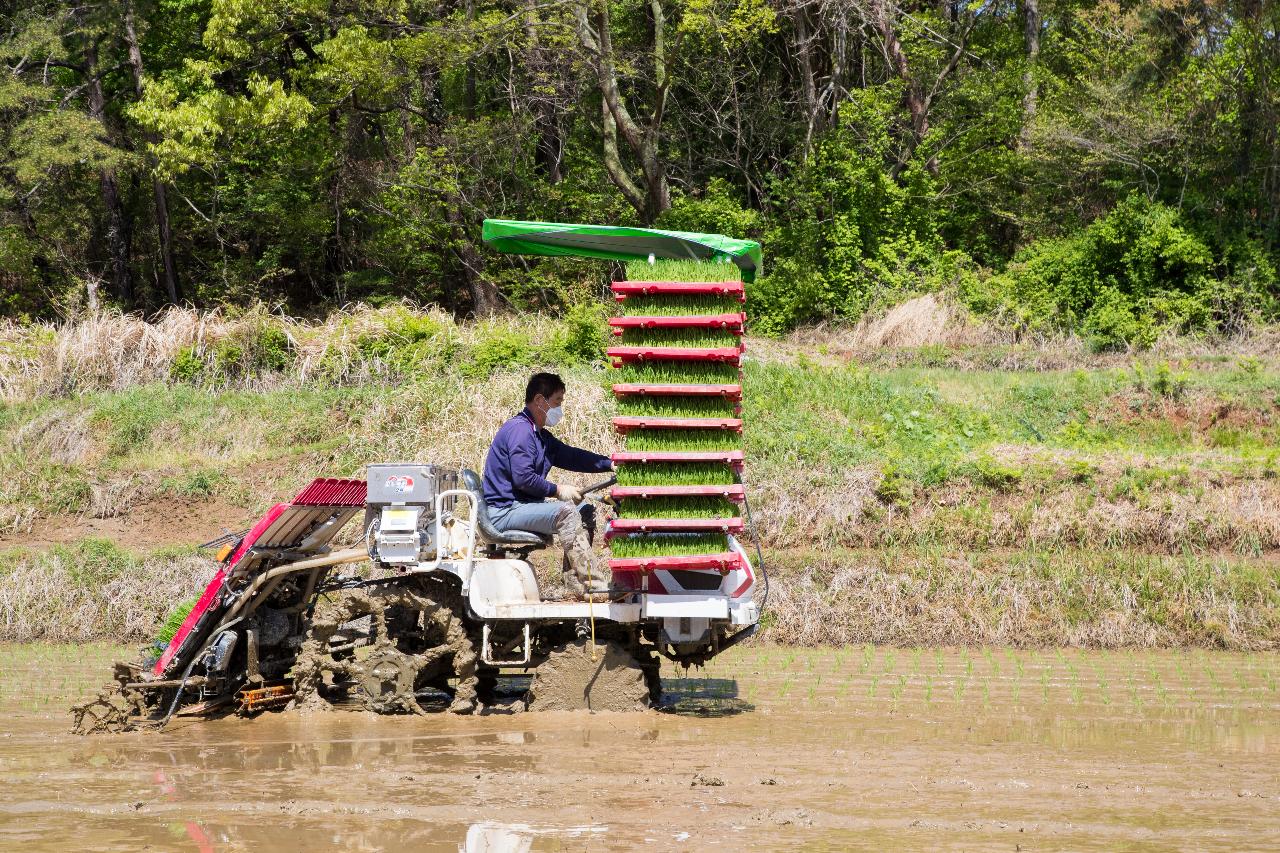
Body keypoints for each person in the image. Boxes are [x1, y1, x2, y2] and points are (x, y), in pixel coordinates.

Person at [483, 372, 614, 600]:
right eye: (557, 402)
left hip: (521, 507)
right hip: (505, 511)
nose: (559, 409)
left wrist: (611, 464)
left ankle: (574, 583)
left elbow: (572, 457)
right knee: (566, 512)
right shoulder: (520, 431)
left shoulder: (540, 436)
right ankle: (595, 586)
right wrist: (558, 490)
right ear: (540, 401)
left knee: (585, 512)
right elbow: (523, 478)